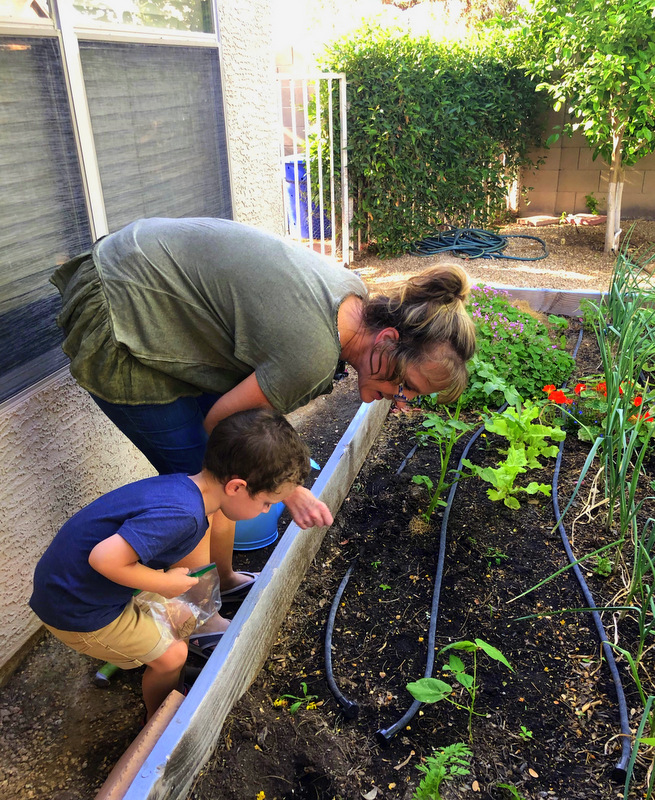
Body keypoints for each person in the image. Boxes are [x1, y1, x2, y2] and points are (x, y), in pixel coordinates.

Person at [51, 217, 476, 596]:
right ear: (388, 340)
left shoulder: (357, 304)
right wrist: (287, 488)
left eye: (414, 399)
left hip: (146, 266)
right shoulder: (310, 357)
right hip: (121, 299)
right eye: (408, 386)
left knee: (224, 475)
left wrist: (287, 486)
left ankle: (225, 576)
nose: (403, 403)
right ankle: (200, 614)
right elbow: (224, 433)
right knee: (199, 484)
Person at [29, 408, 311, 722]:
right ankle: (160, 720)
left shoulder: (186, 490)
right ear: (236, 487)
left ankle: (175, 653)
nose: (265, 511)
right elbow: (102, 558)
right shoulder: (183, 515)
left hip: (76, 586)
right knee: (173, 656)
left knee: (182, 614)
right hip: (79, 610)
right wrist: (166, 584)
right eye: (266, 503)